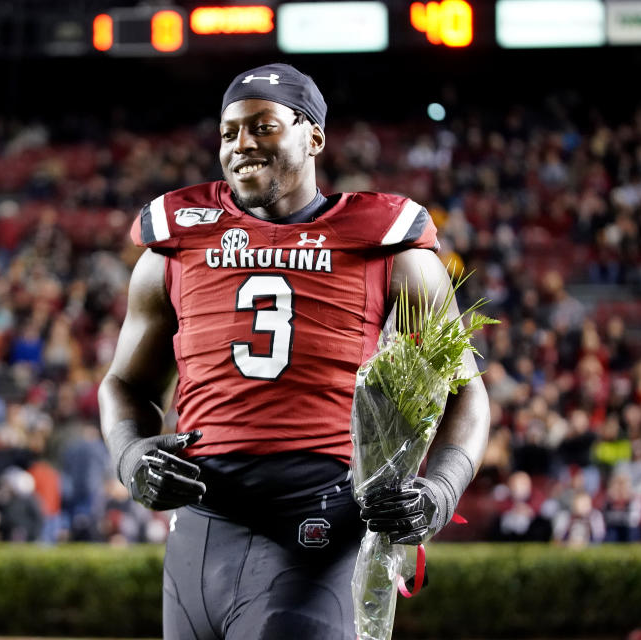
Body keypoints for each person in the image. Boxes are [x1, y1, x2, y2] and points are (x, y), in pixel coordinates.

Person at [99, 63, 490, 639]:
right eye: (229, 133)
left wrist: (440, 489)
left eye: (263, 127)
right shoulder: (175, 246)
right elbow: (122, 385)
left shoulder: (389, 248)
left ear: (314, 137)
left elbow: (466, 393)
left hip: (316, 527)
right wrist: (129, 455)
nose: (242, 146)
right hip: (199, 533)